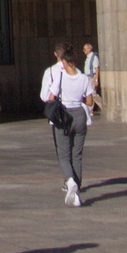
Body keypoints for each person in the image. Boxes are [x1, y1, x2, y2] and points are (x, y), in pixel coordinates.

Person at [40, 43, 98, 206]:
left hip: (64, 116)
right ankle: (77, 192)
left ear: (65, 62)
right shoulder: (84, 78)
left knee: (64, 154)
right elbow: (89, 101)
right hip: (80, 115)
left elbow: (50, 97)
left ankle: (70, 181)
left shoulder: (60, 76)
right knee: (77, 154)